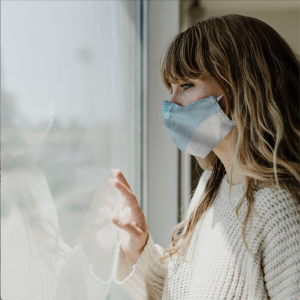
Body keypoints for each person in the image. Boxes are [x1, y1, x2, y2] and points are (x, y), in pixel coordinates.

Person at [110, 14, 300, 300]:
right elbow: (184, 291)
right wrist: (138, 248)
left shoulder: (279, 210)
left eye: (186, 85)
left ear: (245, 89)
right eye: (170, 89)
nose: (170, 104)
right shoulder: (212, 186)